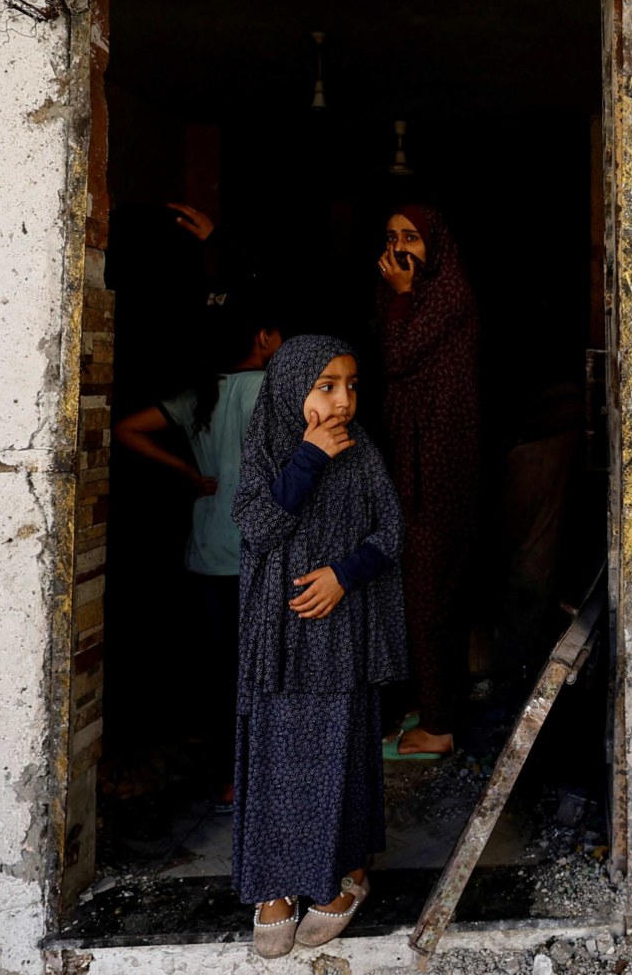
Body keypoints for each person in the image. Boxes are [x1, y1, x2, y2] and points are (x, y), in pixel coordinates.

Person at [230, 336, 408, 957]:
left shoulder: (361, 456)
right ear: (290, 391)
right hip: (277, 639)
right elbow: (257, 526)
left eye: (352, 386)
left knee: (341, 751)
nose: (342, 401)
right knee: (277, 755)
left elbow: (391, 534)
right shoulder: (270, 450)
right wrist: (307, 456)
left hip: (339, 634)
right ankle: (274, 885)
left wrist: (343, 575)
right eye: (326, 386)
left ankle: (349, 877)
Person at [111, 301, 282, 806]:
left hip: (209, 551)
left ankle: (234, 778)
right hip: (261, 551)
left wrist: (187, 472)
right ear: (264, 337)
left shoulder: (201, 394)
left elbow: (126, 428)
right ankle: (268, 774)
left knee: (225, 671)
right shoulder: (277, 392)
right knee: (268, 668)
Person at [375, 205, 481, 761]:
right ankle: (438, 705)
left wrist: (399, 296)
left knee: (427, 596)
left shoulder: (443, 295)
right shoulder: (422, 295)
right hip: (421, 468)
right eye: (391, 238)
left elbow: (395, 357)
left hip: (437, 474)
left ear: (434, 245)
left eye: (411, 238)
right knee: (428, 592)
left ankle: (438, 726)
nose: (399, 250)